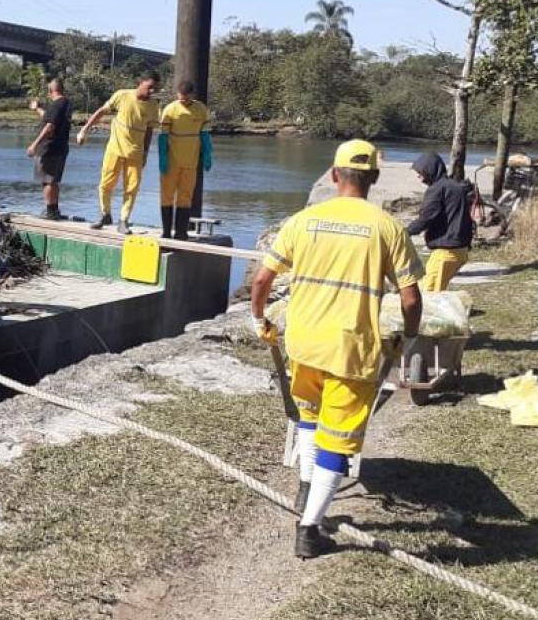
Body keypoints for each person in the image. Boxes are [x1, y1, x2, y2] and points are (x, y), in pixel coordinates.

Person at [250, 140, 424, 559]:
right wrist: (410, 337)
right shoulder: (387, 229)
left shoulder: (303, 221)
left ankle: (306, 488)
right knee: (338, 439)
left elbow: (260, 280)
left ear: (333, 175)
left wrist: (260, 320)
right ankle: (309, 529)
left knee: (308, 419)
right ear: (375, 179)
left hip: (303, 344)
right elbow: (411, 299)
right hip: (351, 350)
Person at [76, 73, 160, 233]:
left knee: (132, 187)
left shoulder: (153, 105)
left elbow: (149, 130)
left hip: (135, 152)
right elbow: (101, 111)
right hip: (115, 148)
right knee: (106, 184)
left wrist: (145, 153)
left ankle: (124, 220)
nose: (152, 91)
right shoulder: (122, 95)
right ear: (140, 83)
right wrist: (84, 130)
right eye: (150, 86)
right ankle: (105, 214)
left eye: (154, 88)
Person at [408, 152, 475, 292]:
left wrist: (404, 232)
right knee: (436, 289)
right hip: (460, 250)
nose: (418, 176)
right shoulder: (454, 186)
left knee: (428, 294)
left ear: (430, 170)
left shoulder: (437, 189)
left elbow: (426, 218)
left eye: (420, 172)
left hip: (447, 251)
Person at [157, 80, 212, 240]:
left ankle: (181, 232)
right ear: (177, 95)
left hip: (190, 162)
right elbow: (163, 137)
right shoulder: (170, 110)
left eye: (186, 98)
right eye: (181, 98)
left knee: (186, 196)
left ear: (192, 95)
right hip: (172, 161)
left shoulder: (201, 110)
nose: (184, 101)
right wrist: (163, 157)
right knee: (166, 195)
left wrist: (207, 153)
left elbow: (205, 135)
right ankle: (166, 231)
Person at [27, 77, 73, 220]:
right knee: (54, 180)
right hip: (61, 147)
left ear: (51, 91)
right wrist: (38, 109)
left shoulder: (56, 105)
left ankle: (49, 211)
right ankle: (54, 211)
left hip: (49, 147)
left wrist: (34, 144)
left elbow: (49, 126)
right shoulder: (65, 104)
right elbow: (49, 118)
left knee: (47, 181)